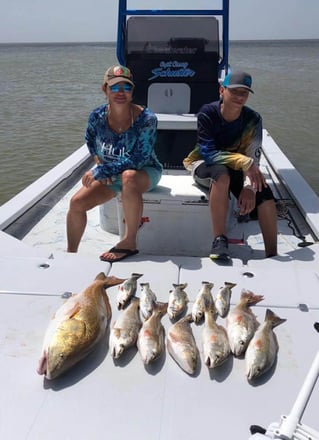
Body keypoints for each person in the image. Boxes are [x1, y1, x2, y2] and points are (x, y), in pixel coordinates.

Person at [66, 65, 163, 262]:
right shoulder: (97, 116)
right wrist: (99, 160)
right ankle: (70, 254)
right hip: (110, 176)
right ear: (105, 89)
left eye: (126, 87)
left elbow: (139, 159)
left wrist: (102, 170)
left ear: (132, 91)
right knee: (76, 203)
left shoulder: (147, 119)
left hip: (143, 172)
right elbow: (90, 140)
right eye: (114, 87)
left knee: (129, 176)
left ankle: (129, 241)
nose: (120, 92)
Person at [183, 70, 277, 260]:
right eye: (234, 91)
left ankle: (272, 253)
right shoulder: (207, 113)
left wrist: (249, 187)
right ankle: (219, 239)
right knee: (221, 173)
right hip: (203, 163)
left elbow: (254, 157)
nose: (239, 96)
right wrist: (244, 162)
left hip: (240, 168)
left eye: (244, 93)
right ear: (222, 91)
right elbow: (209, 153)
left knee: (264, 192)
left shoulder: (253, 119)